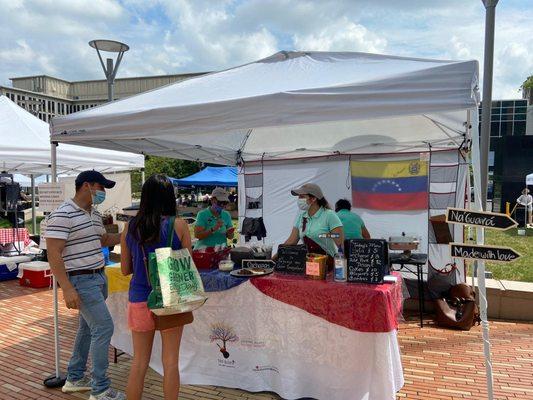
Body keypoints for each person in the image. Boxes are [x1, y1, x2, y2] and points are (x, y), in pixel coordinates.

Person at [45, 171, 123, 400]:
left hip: (98, 277)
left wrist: (125, 236)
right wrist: (67, 288)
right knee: (104, 327)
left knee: (88, 328)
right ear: (86, 185)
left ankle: (75, 378)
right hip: (80, 280)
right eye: (101, 187)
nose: (104, 193)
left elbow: (102, 240)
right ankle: (100, 390)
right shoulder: (62, 214)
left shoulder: (94, 213)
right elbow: (54, 253)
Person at [120, 174, 193, 400]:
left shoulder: (129, 227)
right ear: (170, 197)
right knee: (171, 362)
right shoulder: (179, 225)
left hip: (140, 297)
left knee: (139, 362)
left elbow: (124, 269)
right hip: (171, 299)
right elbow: (187, 266)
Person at [281, 183, 344, 257]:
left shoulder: (329, 215)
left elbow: (340, 247)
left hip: (327, 264)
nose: (299, 200)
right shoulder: (302, 216)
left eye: (302, 197)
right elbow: (291, 241)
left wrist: (341, 267)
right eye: (299, 197)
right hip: (309, 262)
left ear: (313, 198)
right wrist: (273, 258)